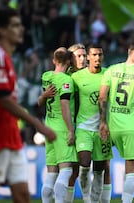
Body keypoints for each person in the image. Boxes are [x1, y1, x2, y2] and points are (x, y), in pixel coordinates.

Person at [0, 7, 56, 203]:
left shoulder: (7, 59)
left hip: (11, 138)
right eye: (15, 26)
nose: (21, 30)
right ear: (2, 30)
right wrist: (38, 124)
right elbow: (4, 100)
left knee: (23, 196)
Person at [99, 41, 134, 203]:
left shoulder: (111, 70)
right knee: (133, 165)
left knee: (104, 165)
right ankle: (126, 201)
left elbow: (102, 97)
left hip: (113, 126)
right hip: (133, 125)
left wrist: (103, 122)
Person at [71, 43, 113, 203]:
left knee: (100, 170)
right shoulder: (77, 77)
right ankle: (87, 198)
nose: (97, 58)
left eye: (100, 55)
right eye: (94, 55)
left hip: (102, 130)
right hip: (83, 127)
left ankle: (95, 200)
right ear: (88, 57)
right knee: (84, 164)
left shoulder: (108, 75)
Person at [40, 47, 78, 203]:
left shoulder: (46, 76)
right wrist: (70, 130)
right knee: (66, 170)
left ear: (54, 61)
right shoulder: (66, 81)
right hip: (61, 128)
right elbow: (64, 106)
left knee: (51, 174)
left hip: (48, 127)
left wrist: (43, 95)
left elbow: (41, 101)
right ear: (69, 62)